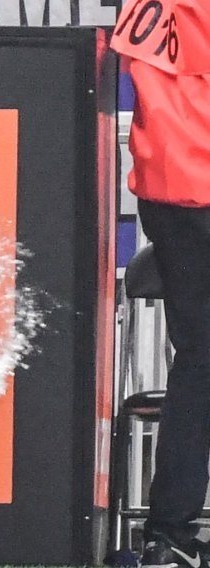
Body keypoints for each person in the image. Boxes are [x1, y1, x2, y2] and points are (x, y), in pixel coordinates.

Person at [111, 1, 210, 566]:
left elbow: (127, 63)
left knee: (198, 361)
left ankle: (167, 537)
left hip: (166, 197)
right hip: (190, 193)